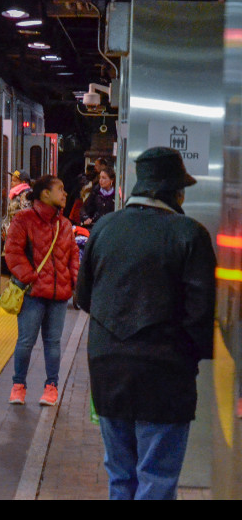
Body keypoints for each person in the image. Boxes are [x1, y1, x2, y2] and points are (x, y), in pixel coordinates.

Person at [75, 147, 216, 500]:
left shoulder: (104, 228)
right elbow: (200, 315)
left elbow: (84, 299)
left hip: (107, 370)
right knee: (156, 477)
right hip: (164, 375)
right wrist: (193, 358)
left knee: (121, 476)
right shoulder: (189, 234)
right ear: (174, 191)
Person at [4, 174, 79, 406]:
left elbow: (73, 256)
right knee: (26, 341)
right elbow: (13, 252)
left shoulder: (64, 224)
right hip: (32, 294)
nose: (65, 194)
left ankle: (51, 387)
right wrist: (30, 277)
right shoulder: (24, 219)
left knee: (53, 343)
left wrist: (74, 283)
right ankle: (18, 386)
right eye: (61, 189)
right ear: (45, 194)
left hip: (58, 296)